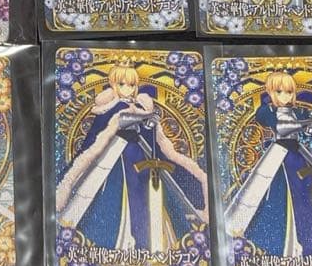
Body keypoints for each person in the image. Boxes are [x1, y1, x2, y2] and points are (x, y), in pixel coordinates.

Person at [56, 64, 207, 252]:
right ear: (114, 85)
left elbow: (156, 139)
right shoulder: (110, 108)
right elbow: (99, 136)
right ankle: (118, 244)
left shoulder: (142, 106)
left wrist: (148, 122)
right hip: (115, 158)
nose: (127, 89)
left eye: (132, 85)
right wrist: (136, 119)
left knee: (148, 195)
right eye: (122, 84)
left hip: (141, 156)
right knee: (114, 197)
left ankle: (150, 244)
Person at [225, 72, 312, 257]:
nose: (285, 96)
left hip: (298, 156)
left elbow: (306, 132)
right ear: (271, 92)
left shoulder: (298, 111)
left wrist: (311, 127)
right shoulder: (267, 111)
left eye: (289, 92)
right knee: (275, 197)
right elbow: (282, 128)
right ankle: (275, 249)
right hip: (278, 158)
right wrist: (307, 123)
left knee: (308, 198)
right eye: (279, 91)